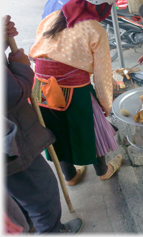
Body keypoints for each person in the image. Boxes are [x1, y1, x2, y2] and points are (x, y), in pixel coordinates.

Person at [29, 0, 122, 186]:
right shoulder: (95, 30)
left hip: (40, 88)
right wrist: (106, 105)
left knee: (55, 131)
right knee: (93, 127)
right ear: (101, 6)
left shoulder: (52, 17)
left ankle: (69, 176)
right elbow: (102, 75)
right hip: (74, 90)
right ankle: (103, 171)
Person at [4, 15, 83, 233]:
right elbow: (11, 93)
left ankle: (31, 227)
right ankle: (51, 230)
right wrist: (20, 67)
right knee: (42, 192)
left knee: (17, 196)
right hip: (10, 145)